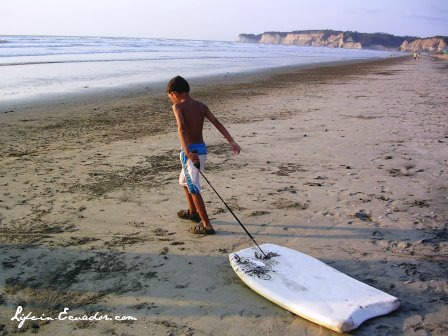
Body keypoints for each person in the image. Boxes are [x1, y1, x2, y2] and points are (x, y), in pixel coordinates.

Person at [166, 76, 241, 235]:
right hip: (201, 150)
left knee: (193, 187)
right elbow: (217, 123)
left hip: (191, 152)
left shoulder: (178, 107)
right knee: (183, 181)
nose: (171, 100)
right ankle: (193, 212)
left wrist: (187, 152)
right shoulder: (201, 106)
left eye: (170, 96)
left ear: (174, 93)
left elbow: (182, 129)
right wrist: (231, 141)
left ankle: (207, 225)